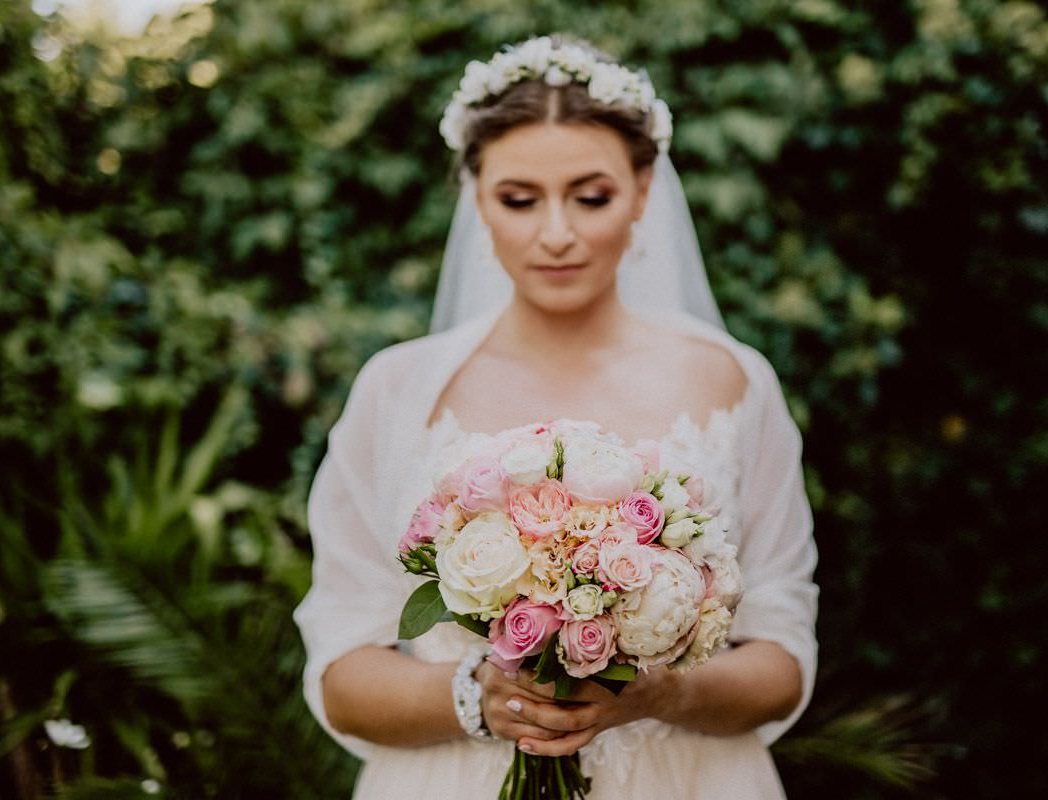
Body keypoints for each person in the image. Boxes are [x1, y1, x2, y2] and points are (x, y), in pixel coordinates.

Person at [293, 34, 819, 799]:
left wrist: (660, 693)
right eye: (519, 199)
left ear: (643, 189)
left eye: (591, 195)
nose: (556, 233)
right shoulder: (397, 390)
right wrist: (480, 695)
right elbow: (343, 672)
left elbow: (782, 659)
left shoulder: (732, 381)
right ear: (476, 197)